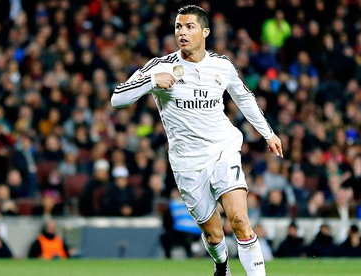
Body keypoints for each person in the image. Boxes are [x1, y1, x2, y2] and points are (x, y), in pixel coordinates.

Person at [111, 5, 283, 276]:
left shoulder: (221, 65)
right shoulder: (160, 66)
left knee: (239, 220)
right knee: (214, 235)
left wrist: (268, 133)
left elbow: (244, 97)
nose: (182, 31)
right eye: (179, 26)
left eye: (189, 26)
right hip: (187, 163)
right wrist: (152, 81)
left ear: (205, 32)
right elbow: (117, 98)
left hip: (223, 150)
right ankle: (222, 265)